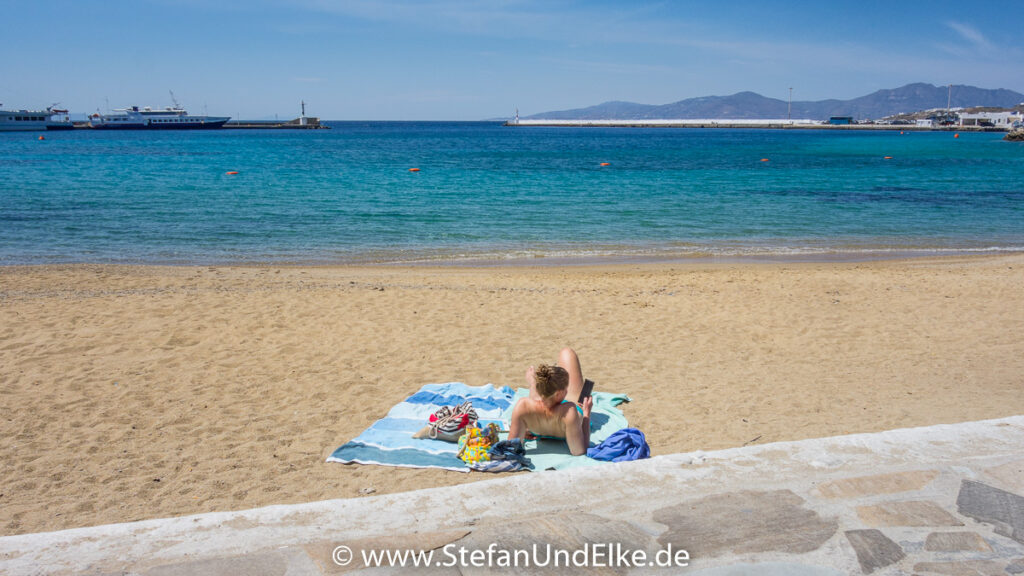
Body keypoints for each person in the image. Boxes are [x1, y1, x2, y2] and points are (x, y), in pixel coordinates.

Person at [508, 347, 594, 456]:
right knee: (567, 352)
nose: (567, 391)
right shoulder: (569, 411)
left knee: (536, 399)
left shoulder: (523, 406)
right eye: (565, 389)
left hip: (537, 414)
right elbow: (578, 451)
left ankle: (533, 384)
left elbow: (511, 448)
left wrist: (523, 428)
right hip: (566, 417)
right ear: (559, 393)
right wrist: (586, 414)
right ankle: (535, 384)